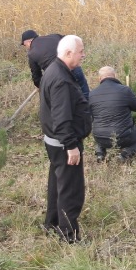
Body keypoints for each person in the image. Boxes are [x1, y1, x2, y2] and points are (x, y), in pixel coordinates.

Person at [39, 34, 92, 242]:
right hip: (63, 143)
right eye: (81, 52)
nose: (83, 55)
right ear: (68, 53)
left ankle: (51, 224)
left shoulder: (54, 70)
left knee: (57, 185)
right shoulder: (60, 79)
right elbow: (61, 117)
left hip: (54, 141)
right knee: (71, 190)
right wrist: (71, 146)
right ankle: (68, 236)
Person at [89, 66, 136, 161]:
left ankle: (100, 154)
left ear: (99, 78)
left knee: (102, 130)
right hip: (122, 137)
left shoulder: (92, 94)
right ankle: (124, 155)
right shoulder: (125, 90)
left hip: (99, 138)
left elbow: (90, 116)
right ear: (115, 76)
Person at [20, 29, 90, 101]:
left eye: (25, 45)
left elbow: (36, 75)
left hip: (58, 76)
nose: (27, 47)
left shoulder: (31, 53)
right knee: (85, 93)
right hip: (73, 66)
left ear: (28, 42)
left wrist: (40, 85)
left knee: (69, 99)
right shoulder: (54, 37)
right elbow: (72, 41)